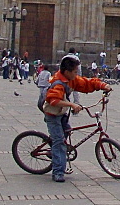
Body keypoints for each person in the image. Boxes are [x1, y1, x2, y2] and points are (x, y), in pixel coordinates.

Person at [42, 54, 111, 182]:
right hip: (53, 114)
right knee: (60, 142)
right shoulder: (58, 83)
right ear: (67, 71)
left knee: (66, 132)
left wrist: (102, 85)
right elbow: (53, 100)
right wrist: (72, 104)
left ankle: (55, 152)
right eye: (75, 71)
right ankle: (58, 172)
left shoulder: (71, 78)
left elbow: (85, 83)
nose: (76, 74)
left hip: (61, 113)